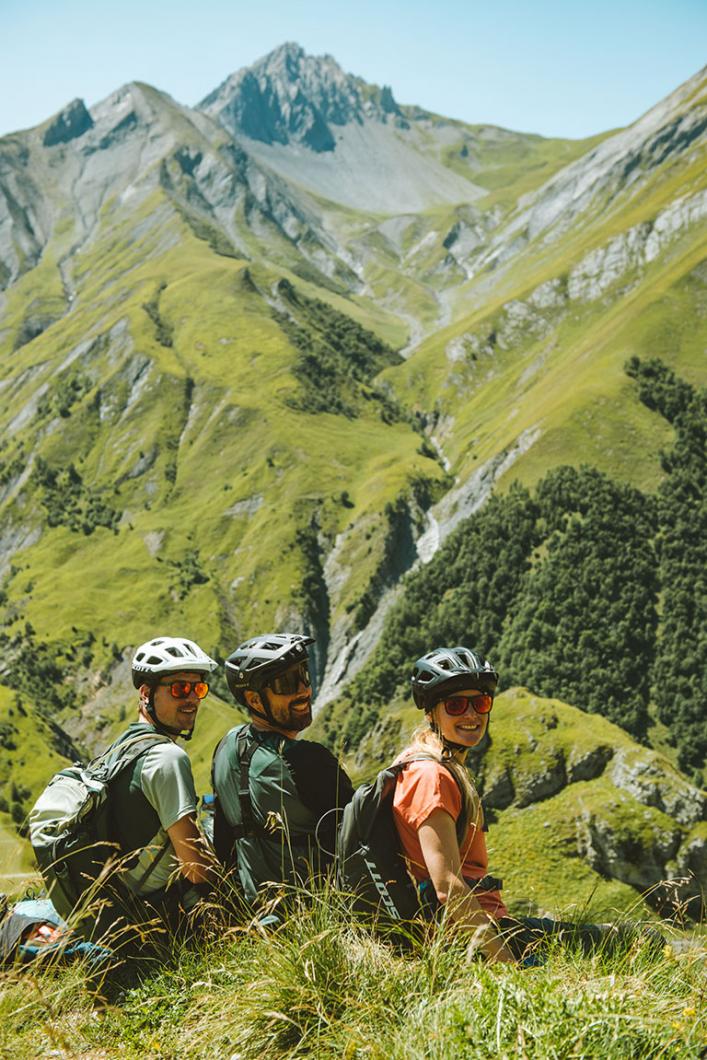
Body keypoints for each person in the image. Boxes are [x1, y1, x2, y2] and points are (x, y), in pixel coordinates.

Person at [393, 646, 610, 964]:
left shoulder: (420, 761)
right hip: (474, 941)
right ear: (430, 712)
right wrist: (507, 964)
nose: (471, 715)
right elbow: (447, 886)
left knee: (612, 939)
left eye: (480, 703)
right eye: (455, 705)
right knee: (630, 943)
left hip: (477, 931)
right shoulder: (431, 776)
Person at [212, 633, 354, 907]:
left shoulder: (226, 747)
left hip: (253, 920)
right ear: (254, 700)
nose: (304, 690)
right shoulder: (309, 760)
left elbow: (223, 841)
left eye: (304, 675)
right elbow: (363, 838)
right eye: (287, 683)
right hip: (316, 918)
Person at [106, 635, 220, 924]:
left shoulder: (122, 747)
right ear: (146, 693)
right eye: (181, 688)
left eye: (199, 688)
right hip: (154, 919)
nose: (193, 699)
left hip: (116, 910)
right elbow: (196, 868)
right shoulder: (167, 758)